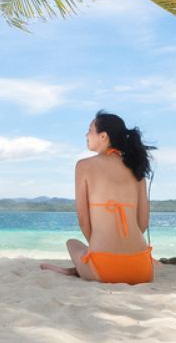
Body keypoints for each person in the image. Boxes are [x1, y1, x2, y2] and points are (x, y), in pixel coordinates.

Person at [41, 112, 155, 284]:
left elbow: (83, 221)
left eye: (89, 130)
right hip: (142, 269)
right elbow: (143, 223)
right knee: (91, 252)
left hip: (104, 268)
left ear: (103, 136)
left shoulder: (84, 166)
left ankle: (78, 269)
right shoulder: (136, 168)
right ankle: (77, 270)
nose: (86, 135)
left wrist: (98, 246)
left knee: (72, 243)